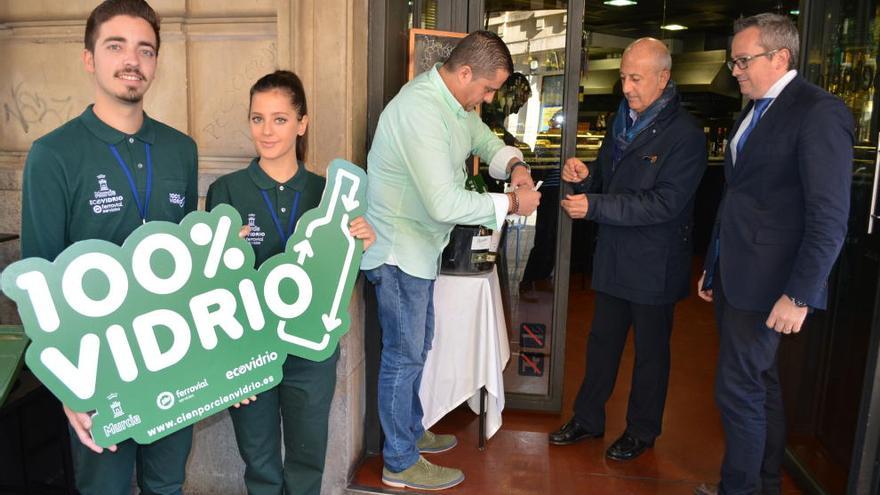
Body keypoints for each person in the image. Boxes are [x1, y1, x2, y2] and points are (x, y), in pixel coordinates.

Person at [19, 1, 198, 493]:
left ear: (157, 62)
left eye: (145, 49)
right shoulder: (53, 155)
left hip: (173, 358)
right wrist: (66, 386)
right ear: (88, 58)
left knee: (167, 485)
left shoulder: (181, 150)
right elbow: (39, 283)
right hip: (97, 371)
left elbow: (190, 271)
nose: (132, 60)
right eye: (115, 46)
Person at [361, 30, 541, 491]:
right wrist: (511, 205)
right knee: (403, 357)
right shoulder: (420, 109)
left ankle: (410, 432)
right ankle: (399, 462)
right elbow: (443, 203)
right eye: (487, 88)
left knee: (417, 348)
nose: (489, 97)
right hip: (399, 251)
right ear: (464, 73)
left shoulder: (455, 107)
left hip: (419, 251)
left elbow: (485, 142)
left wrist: (516, 166)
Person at [695, 13, 852, 495]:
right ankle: (762, 482)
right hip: (737, 274)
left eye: (743, 60)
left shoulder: (818, 111)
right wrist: (712, 264)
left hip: (772, 284)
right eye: (734, 61)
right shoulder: (756, 108)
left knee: (739, 391)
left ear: (780, 57)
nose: (735, 70)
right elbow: (740, 197)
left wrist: (800, 295)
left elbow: (830, 217)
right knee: (759, 385)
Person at [205, 70, 375, 495]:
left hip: (310, 352)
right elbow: (211, 286)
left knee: (306, 459)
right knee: (259, 462)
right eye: (257, 118)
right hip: (248, 347)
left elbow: (342, 278)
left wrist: (363, 245)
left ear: (302, 123)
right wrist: (218, 253)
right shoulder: (226, 191)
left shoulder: (329, 194)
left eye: (280, 119)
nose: (266, 130)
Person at [548, 38, 707, 461]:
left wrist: (594, 205)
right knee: (601, 343)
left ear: (663, 78)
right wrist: (584, 177)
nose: (627, 87)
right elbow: (606, 176)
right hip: (615, 255)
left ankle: (642, 430)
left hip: (656, 264)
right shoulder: (623, 121)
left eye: (635, 78)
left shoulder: (686, 136)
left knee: (651, 355)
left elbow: (666, 204)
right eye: (623, 77)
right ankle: (587, 419)